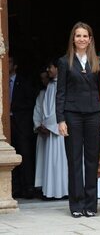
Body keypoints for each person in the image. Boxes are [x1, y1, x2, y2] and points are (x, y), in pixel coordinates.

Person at [56, 22, 100, 218]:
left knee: (92, 160)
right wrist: (60, 119)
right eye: (78, 36)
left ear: (90, 39)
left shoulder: (98, 61)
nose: (82, 39)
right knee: (74, 160)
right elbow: (60, 93)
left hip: (94, 113)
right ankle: (76, 205)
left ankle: (91, 205)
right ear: (73, 39)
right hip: (72, 114)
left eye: (85, 36)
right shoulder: (64, 61)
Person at [35, 60, 68, 198]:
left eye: (50, 67)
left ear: (58, 68)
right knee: (51, 163)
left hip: (59, 129)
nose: (48, 69)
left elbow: (60, 107)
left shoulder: (63, 84)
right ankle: (51, 191)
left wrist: (48, 125)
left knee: (62, 161)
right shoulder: (50, 86)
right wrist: (42, 124)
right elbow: (44, 108)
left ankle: (64, 191)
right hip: (50, 130)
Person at [9, 56, 37, 199]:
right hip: (7, 125)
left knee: (25, 155)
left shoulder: (24, 82)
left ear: (15, 66)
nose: (6, 65)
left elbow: (30, 102)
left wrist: (13, 107)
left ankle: (28, 188)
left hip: (21, 125)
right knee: (8, 155)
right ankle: (14, 188)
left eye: (9, 62)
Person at [34, 69, 50, 192]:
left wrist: (49, 126)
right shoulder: (41, 93)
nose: (43, 80)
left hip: (52, 132)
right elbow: (37, 111)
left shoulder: (54, 90)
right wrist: (39, 125)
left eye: (45, 77)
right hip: (42, 132)